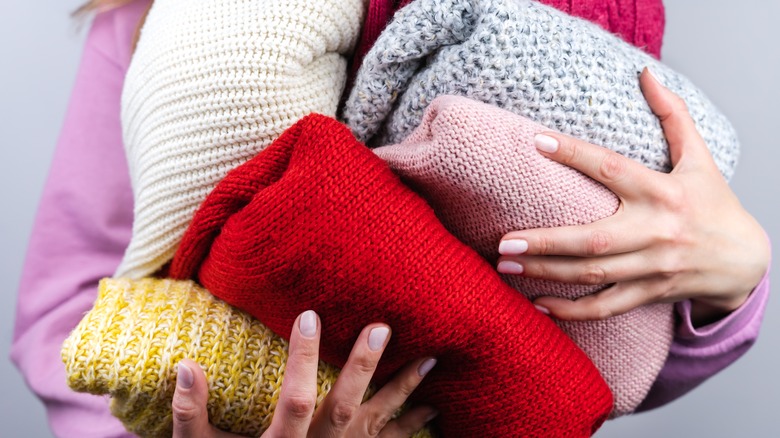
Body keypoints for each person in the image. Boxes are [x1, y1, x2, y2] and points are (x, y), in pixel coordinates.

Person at [11, 0, 770, 436]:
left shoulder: (583, 16)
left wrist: (730, 285)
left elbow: (599, 344)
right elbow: (64, 316)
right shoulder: (169, 21)